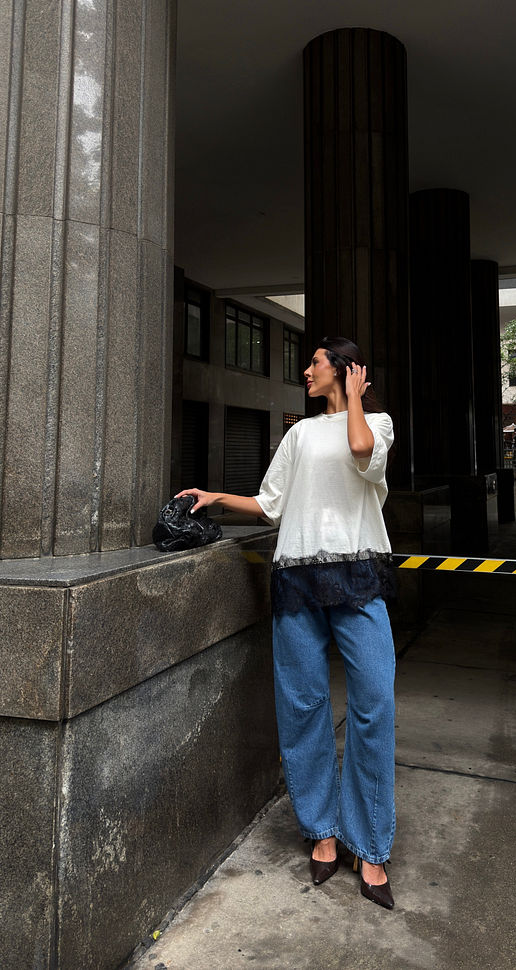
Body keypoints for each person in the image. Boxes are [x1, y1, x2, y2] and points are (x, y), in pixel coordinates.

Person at [177, 337, 397, 910]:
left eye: (316, 363)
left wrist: (353, 397)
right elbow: (271, 503)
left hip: (359, 578)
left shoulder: (378, 423)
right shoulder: (298, 434)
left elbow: (358, 450)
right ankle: (321, 831)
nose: (305, 370)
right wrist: (214, 496)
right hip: (297, 577)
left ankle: (370, 844)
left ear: (346, 371)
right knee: (302, 705)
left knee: (374, 701)